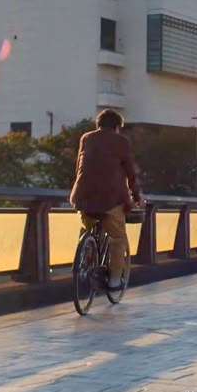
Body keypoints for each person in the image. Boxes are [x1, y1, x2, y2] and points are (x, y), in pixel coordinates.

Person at [70, 108, 143, 293]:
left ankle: (84, 259)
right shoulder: (121, 141)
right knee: (118, 238)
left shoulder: (86, 138)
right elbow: (130, 172)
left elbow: (81, 167)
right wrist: (136, 196)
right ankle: (114, 281)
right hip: (110, 198)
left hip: (83, 196)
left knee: (86, 227)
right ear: (117, 126)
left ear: (98, 124)